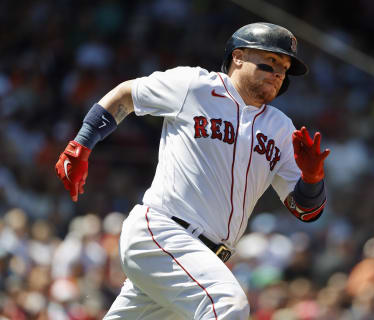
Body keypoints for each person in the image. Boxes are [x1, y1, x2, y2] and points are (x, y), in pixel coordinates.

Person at [55, 22, 330, 320]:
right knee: (228, 303)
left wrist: (312, 179)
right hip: (163, 232)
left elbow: (305, 210)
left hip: (202, 258)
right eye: (272, 60)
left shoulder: (281, 129)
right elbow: (127, 95)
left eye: (285, 67)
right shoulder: (195, 86)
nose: (279, 72)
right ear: (238, 56)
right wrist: (81, 144)